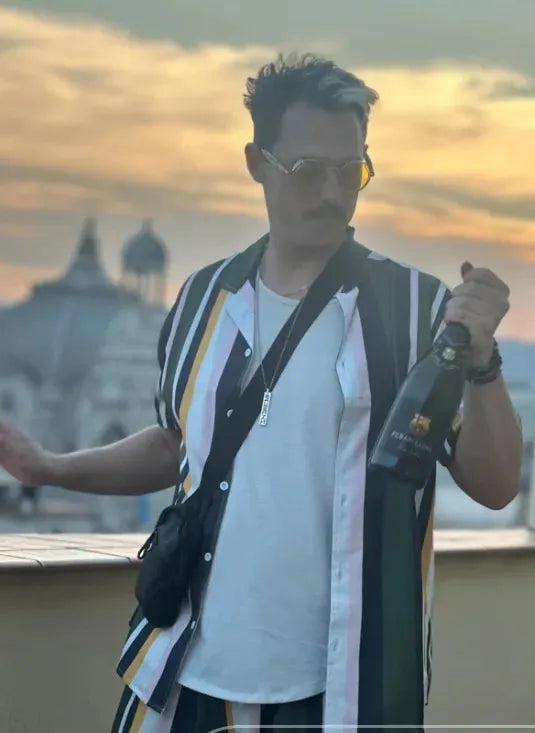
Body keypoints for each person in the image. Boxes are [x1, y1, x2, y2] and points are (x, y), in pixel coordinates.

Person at [0, 54, 522, 732]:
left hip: (343, 687)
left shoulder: (415, 308)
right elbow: (177, 445)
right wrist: (47, 466)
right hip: (181, 672)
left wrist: (482, 363)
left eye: (350, 172)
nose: (332, 193)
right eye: (307, 171)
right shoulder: (203, 299)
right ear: (256, 163)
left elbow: (494, 485)